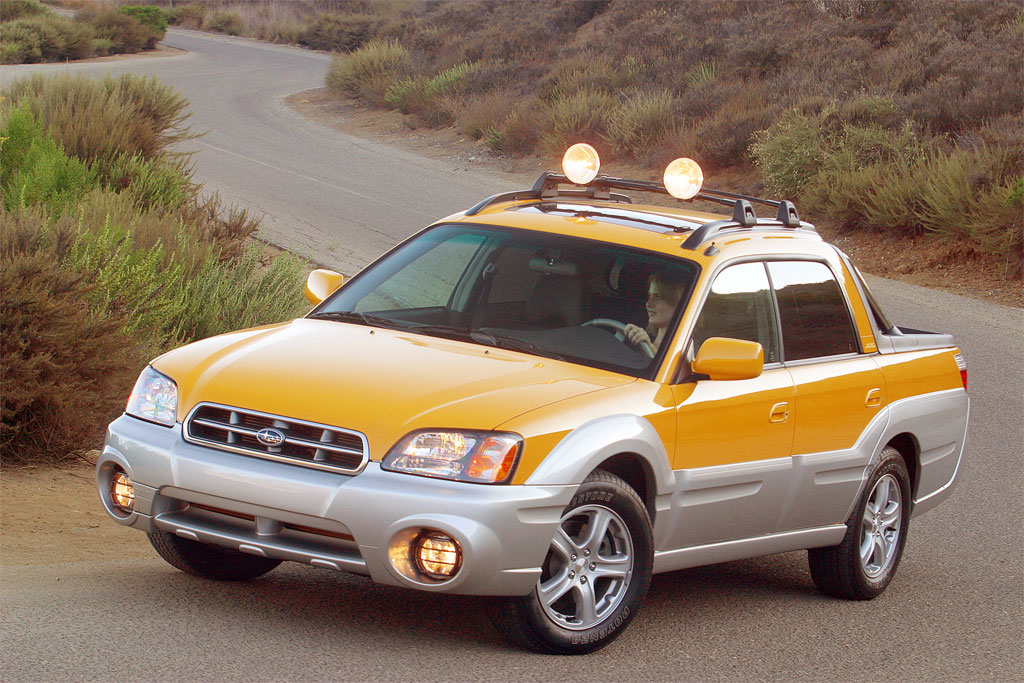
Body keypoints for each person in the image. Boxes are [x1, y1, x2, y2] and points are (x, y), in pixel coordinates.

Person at [624, 270, 687, 352]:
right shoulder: (640, 339)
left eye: (658, 297)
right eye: (649, 295)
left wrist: (650, 349)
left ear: (677, 303)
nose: (648, 304)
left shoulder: (684, 348)